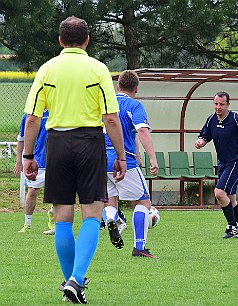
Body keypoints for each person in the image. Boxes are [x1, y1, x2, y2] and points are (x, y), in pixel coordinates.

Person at [22, 16, 126, 304]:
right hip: (90, 142)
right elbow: (111, 118)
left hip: (56, 144)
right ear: (87, 40)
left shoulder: (47, 69)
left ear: (59, 41)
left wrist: (28, 155)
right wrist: (120, 155)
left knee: (62, 216)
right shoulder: (98, 68)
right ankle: (76, 280)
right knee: (92, 212)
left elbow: (32, 118)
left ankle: (72, 283)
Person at [102, 70, 159, 258]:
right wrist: (152, 158)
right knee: (143, 201)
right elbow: (142, 131)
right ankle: (139, 247)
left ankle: (111, 219)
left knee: (110, 200)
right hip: (123, 159)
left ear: (118, 86)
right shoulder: (134, 105)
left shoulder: (104, 104)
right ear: (136, 88)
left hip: (99, 160)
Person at [195, 91, 238, 238]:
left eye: (221, 104)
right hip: (223, 163)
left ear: (228, 105)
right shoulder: (211, 119)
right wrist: (201, 142)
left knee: (219, 192)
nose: (218, 107)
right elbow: (205, 136)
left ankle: (232, 225)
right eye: (216, 104)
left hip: (236, 162)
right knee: (230, 198)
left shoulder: (237, 120)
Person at [14, 110, 56, 235]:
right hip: (36, 161)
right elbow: (21, 139)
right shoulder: (28, 116)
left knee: (57, 192)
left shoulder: (56, 111)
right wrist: (19, 161)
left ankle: (54, 220)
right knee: (32, 192)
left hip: (55, 159)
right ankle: (27, 224)